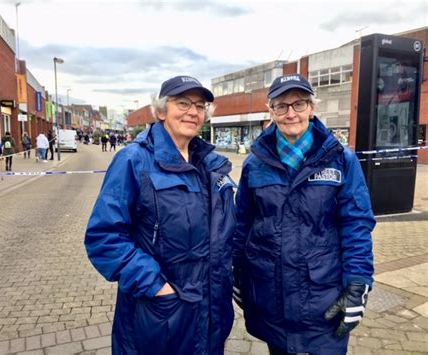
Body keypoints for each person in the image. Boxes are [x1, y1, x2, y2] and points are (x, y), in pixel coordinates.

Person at [85, 75, 236, 355]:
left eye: (200, 106)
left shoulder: (213, 165)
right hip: (160, 315)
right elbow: (104, 238)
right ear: (162, 111)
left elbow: (228, 235)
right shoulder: (134, 160)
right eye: (183, 103)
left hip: (211, 311)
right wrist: (156, 287)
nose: (193, 111)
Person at [232, 74, 375, 355]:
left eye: (299, 104)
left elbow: (356, 224)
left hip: (324, 297)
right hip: (272, 294)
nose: (291, 113)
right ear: (270, 111)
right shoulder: (254, 164)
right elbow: (242, 223)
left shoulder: (341, 159)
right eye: (281, 106)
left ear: (312, 108)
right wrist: (236, 270)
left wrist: (358, 282)